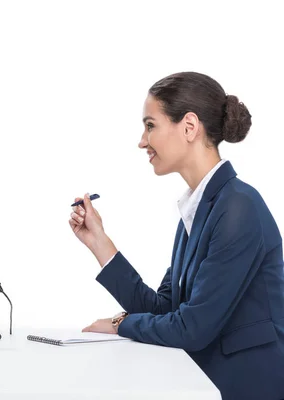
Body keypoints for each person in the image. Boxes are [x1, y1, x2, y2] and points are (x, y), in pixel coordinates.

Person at [70, 72, 284, 400]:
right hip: (207, 384)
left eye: (150, 125)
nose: (143, 141)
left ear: (189, 126)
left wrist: (120, 324)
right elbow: (165, 310)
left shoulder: (239, 208)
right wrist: (99, 241)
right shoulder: (200, 208)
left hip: (248, 387)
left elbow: (192, 329)